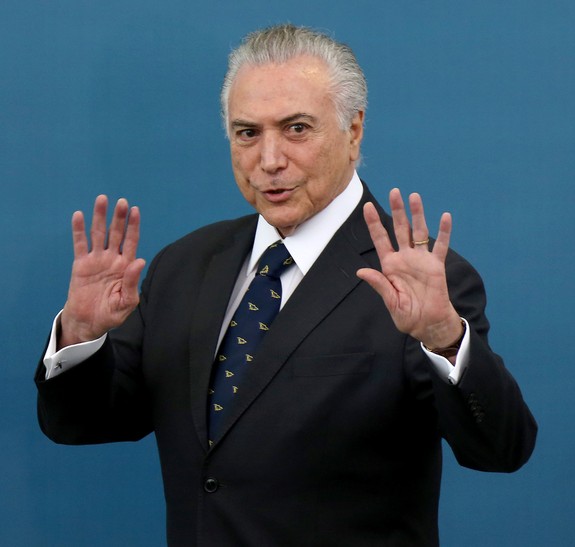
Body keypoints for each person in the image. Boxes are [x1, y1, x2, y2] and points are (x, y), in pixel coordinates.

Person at [36, 23, 537, 546]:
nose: (269, 160)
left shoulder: (419, 277)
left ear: (354, 131)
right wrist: (79, 337)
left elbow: (501, 450)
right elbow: (82, 424)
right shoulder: (182, 266)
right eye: (248, 132)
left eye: (297, 128)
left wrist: (442, 337)